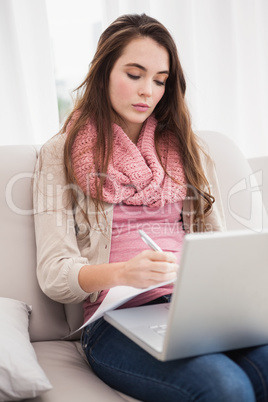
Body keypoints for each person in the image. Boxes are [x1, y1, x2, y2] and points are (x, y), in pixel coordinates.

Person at [33, 13, 268, 402]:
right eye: (135, 74)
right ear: (104, 71)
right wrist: (124, 272)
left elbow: (217, 247)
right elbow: (54, 274)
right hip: (115, 321)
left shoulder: (190, 149)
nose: (148, 91)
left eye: (160, 80)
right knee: (225, 386)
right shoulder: (60, 154)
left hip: (194, 311)